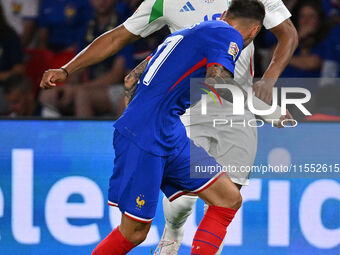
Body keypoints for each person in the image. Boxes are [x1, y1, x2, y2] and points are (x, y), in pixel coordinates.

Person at [40, 0, 297, 253]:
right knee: (134, 233)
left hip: (169, 129)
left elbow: (131, 78)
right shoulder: (228, 35)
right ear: (254, 31)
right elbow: (216, 80)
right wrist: (267, 110)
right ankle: (169, 238)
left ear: (225, 13)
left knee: (228, 199)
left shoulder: (188, 32)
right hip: (149, 135)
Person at [39, 0, 133, 118]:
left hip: (116, 88)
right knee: (47, 96)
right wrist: (70, 86)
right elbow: (78, 66)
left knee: (81, 95)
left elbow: (116, 75)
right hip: (90, 86)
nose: (101, 2)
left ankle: (85, 136)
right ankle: (56, 135)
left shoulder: (126, 26)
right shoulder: (87, 26)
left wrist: (77, 88)